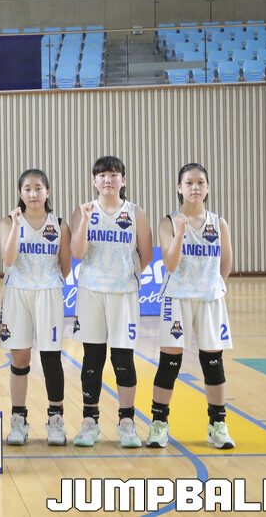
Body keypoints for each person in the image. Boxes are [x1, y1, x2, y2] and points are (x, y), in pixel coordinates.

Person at [146, 163, 235, 450]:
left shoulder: (219, 223)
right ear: (179, 188)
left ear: (207, 188)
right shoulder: (169, 222)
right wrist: (181, 232)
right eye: (189, 182)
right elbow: (170, 264)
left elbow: (225, 264)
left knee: (213, 362)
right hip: (177, 297)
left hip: (209, 299)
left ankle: (217, 425)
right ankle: (159, 424)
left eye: (200, 182)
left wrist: (211, 287)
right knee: (169, 362)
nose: (195, 187)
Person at [70, 155, 153, 448]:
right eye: (102, 175)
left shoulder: (135, 212)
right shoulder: (83, 211)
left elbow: (146, 254)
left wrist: (125, 277)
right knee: (92, 359)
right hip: (91, 293)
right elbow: (77, 253)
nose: (108, 179)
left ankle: (126, 421)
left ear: (123, 180)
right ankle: (89, 421)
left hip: (123, 295)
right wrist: (85, 222)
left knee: (123, 360)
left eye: (114, 174)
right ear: (94, 180)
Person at [0, 169, 72, 446]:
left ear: (47, 192)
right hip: (17, 293)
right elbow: (7, 259)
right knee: (19, 360)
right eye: (27, 189)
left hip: (48, 293)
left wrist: (46, 284)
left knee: (51, 359)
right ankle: (18, 420)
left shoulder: (60, 224)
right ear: (20, 193)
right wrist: (17, 226)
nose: (33, 193)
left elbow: (65, 266)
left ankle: (56, 420)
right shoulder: (9, 222)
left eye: (38, 188)